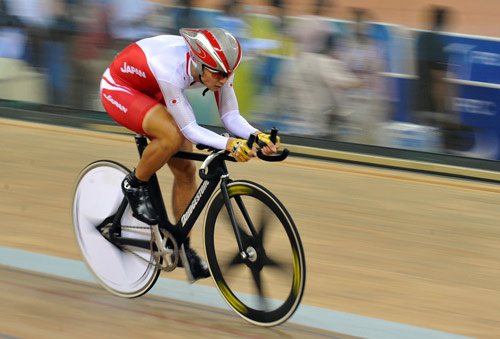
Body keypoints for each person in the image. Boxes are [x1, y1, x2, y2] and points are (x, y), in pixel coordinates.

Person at [100, 27, 280, 281]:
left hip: (155, 90)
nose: (224, 79)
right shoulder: (172, 70)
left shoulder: (216, 70)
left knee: (186, 170)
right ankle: (135, 184)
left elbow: (230, 116)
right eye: (218, 74)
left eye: (229, 74)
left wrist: (256, 136)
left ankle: (182, 248)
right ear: (199, 63)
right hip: (120, 88)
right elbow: (191, 130)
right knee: (172, 136)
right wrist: (230, 144)